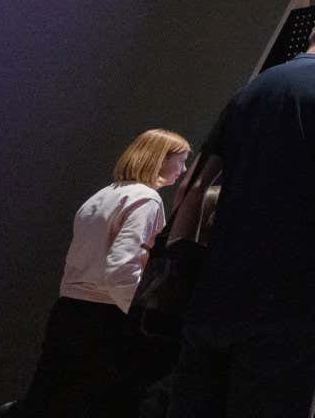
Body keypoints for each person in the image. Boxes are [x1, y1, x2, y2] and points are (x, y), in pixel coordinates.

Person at [166, 9, 315, 418]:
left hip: (215, 293)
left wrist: (181, 271)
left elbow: (191, 188)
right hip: (288, 301)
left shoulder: (250, 89)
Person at [17, 129, 190, 417]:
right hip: (103, 319)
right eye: (181, 160)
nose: (183, 170)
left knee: (50, 398)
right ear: (160, 159)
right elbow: (123, 265)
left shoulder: (103, 195)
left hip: (68, 310)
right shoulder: (146, 199)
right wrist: (134, 314)